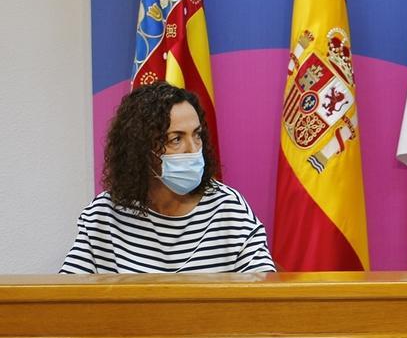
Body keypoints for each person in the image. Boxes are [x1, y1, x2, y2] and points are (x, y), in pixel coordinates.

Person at [60, 82, 275, 273]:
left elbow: (266, 298)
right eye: (176, 139)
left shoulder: (229, 208)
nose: (193, 149)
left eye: (197, 135)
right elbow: (66, 302)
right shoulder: (104, 215)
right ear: (141, 149)